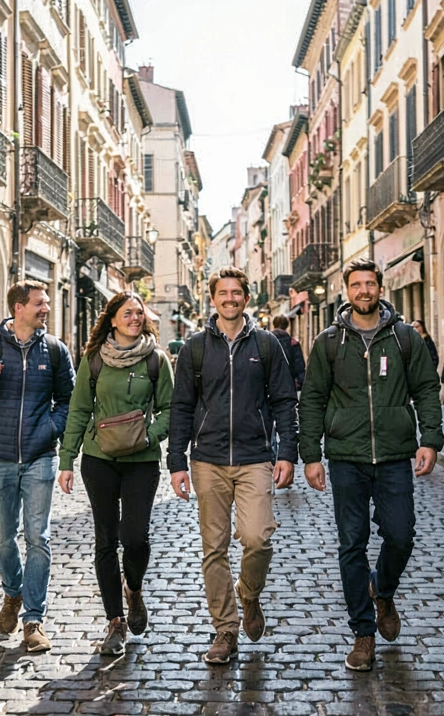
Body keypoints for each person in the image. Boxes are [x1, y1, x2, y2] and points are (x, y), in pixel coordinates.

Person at [299, 258, 443, 672]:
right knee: (352, 544)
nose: (364, 290)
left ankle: (383, 588)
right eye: (357, 284)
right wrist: (311, 454)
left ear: (381, 288)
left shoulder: (403, 338)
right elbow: (311, 399)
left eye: (370, 284)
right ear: (348, 291)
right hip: (346, 456)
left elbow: (427, 389)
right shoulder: (329, 342)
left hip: (396, 453)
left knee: (400, 535)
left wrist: (430, 439)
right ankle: (363, 633)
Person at [167, 267, 298, 665]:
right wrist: (176, 461)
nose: (230, 298)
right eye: (222, 293)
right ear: (213, 299)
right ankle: (225, 630)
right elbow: (181, 407)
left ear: (246, 297)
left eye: (236, 292)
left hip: (255, 456)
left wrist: (288, 451)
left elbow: (284, 401)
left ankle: (250, 593)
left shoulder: (267, 344)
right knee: (214, 549)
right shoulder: (193, 347)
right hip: (207, 459)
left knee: (257, 538)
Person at [0, 280, 74, 653]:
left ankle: (33, 619)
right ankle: (13, 593)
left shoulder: (54, 350)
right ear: (18, 307)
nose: (46, 308)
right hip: (0, 457)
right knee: (2, 536)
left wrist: (49, 430)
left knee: (38, 537)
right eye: (39, 303)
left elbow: (68, 401)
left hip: (40, 457)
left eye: (47, 303)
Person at [57, 292, 173, 656]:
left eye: (139, 312)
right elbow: (78, 410)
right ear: (112, 319)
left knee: (136, 537)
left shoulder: (157, 360)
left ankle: (133, 588)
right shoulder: (93, 360)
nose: (135, 318)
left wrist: (147, 437)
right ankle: (115, 623)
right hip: (98, 458)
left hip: (141, 461)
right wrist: (66, 459)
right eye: (128, 313)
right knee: (106, 540)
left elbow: (171, 409)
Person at [269, 314, 306, 392]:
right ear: (287, 326)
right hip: (289, 386)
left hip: (270, 386)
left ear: (274, 325)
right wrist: (300, 384)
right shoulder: (293, 343)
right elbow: (299, 367)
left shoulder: (266, 342)